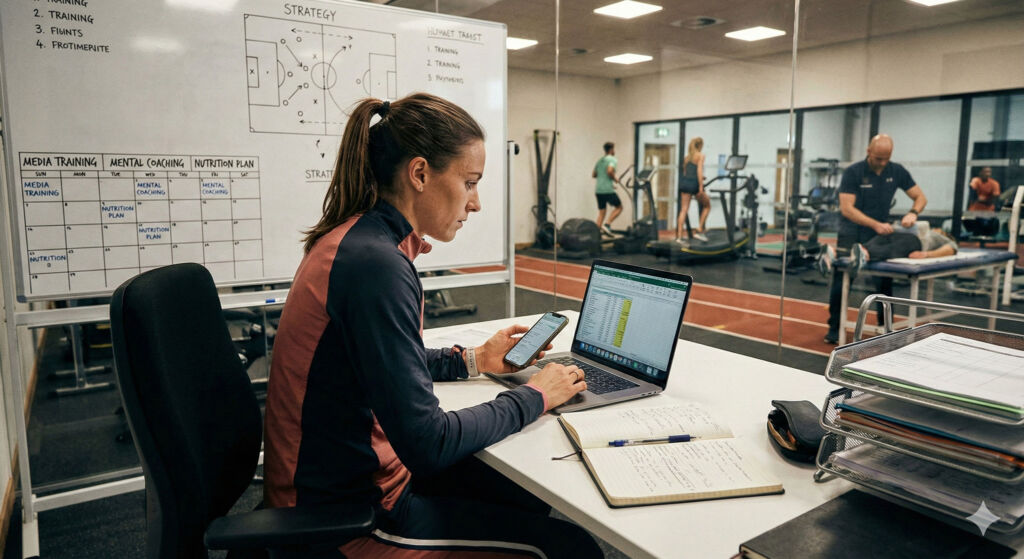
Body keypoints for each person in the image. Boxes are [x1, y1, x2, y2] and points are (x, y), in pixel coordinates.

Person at [264, 93, 601, 558]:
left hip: (338, 483)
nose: (476, 203)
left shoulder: (359, 240)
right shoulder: (376, 266)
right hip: (344, 520)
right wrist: (535, 395)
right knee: (571, 549)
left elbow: (383, 360)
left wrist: (475, 360)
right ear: (420, 174)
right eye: (469, 182)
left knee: (522, 492)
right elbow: (428, 443)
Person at [824, 134, 927, 344]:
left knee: (884, 281)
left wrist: (913, 213)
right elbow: (847, 209)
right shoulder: (853, 172)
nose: (882, 163)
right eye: (878, 158)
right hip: (852, 231)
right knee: (843, 281)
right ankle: (834, 328)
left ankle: (885, 327)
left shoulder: (896, 171)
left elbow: (920, 197)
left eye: (886, 159)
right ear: (868, 152)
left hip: (879, 234)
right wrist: (875, 224)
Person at [817, 222, 957, 279]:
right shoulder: (925, 227)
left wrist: (926, 254)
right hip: (898, 233)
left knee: (884, 248)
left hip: (915, 242)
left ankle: (835, 253)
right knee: (870, 246)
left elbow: (952, 248)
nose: (938, 229)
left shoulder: (940, 237)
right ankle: (837, 253)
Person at [677, 137, 709, 242]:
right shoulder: (700, 155)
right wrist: (701, 187)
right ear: (700, 145)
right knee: (707, 206)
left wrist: (700, 178)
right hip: (694, 184)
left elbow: (687, 173)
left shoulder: (687, 157)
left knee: (684, 210)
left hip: (684, 183)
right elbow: (699, 171)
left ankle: (679, 237)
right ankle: (699, 230)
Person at [593, 141, 622, 236]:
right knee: (619, 207)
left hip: (598, 190)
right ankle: (607, 224)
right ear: (611, 149)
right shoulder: (612, 159)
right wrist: (615, 178)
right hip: (607, 190)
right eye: (614, 149)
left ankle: (596, 235)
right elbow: (609, 171)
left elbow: (594, 174)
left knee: (602, 212)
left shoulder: (600, 160)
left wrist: (609, 183)